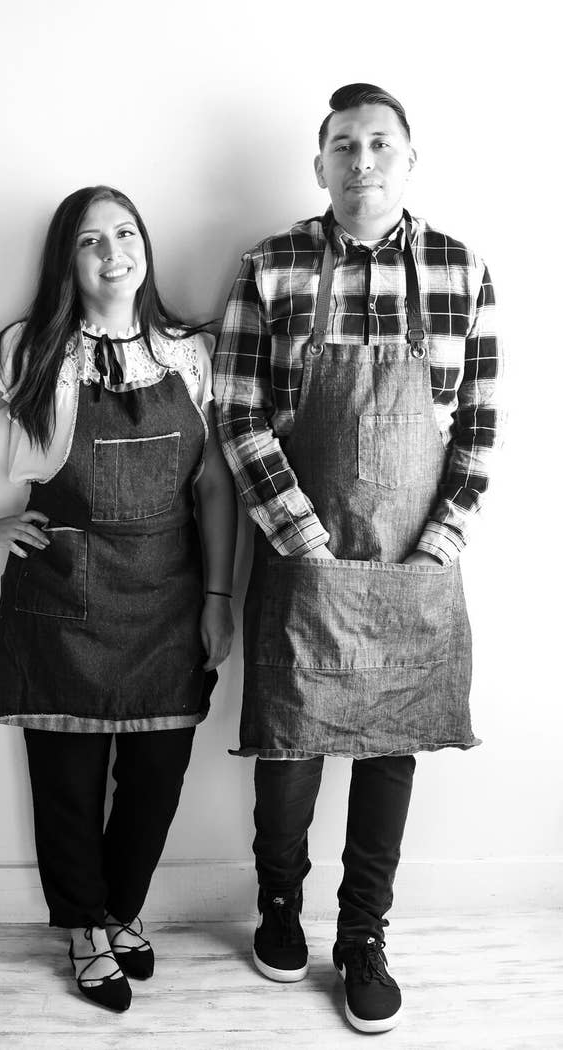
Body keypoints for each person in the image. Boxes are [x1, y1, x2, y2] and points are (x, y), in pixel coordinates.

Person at [213, 84, 503, 1034]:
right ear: (321, 163)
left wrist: (442, 540)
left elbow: (480, 429)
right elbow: (236, 412)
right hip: (303, 555)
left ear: (408, 159)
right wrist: (301, 534)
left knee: (390, 751)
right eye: (344, 144)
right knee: (290, 749)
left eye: (380, 143)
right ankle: (282, 905)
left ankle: (365, 933)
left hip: (415, 562)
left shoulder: (463, 270)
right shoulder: (273, 264)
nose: (362, 160)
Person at [0, 185, 237, 1013]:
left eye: (125, 233)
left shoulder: (190, 352)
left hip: (169, 595)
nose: (113, 252)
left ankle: (122, 909)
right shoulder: (31, 349)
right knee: (66, 779)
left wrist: (217, 596)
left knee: (157, 777)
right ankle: (84, 927)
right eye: (91, 239)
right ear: (67, 258)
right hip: (59, 593)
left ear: (146, 245)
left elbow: (212, 488)